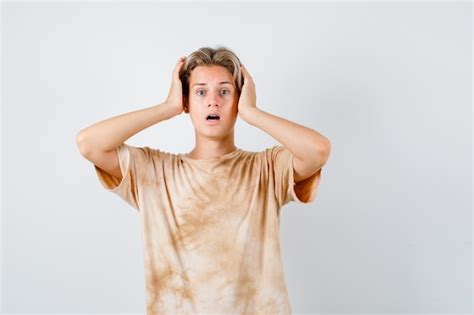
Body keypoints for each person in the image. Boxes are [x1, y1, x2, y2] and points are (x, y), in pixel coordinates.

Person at [76, 46, 331, 314]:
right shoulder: (154, 172)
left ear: (239, 99)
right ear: (186, 101)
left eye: (224, 91)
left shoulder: (265, 169)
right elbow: (89, 143)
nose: (213, 101)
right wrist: (168, 107)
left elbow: (318, 150)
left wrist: (253, 113)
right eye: (200, 92)